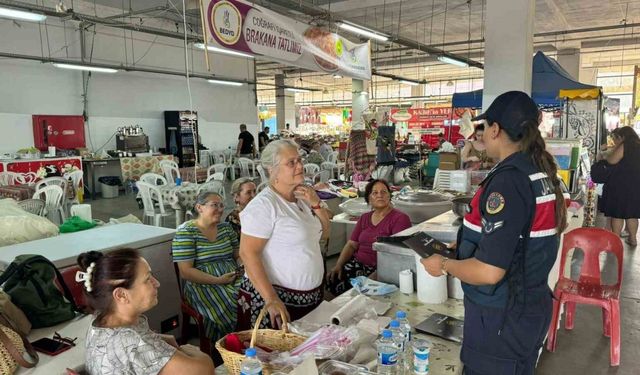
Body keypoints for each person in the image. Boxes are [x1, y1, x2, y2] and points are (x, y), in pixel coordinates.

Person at [420, 91, 569, 375]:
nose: (483, 134)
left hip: (503, 320)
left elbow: (490, 272)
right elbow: (518, 241)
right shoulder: (537, 171)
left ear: (496, 129)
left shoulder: (509, 182)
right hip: (525, 311)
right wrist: (463, 249)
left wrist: (444, 265)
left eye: (484, 127)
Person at [237, 139, 332, 329]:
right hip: (278, 302)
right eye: (291, 162)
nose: (300, 166)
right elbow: (248, 254)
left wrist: (316, 203)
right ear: (272, 171)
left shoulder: (302, 198)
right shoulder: (264, 205)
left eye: (299, 160)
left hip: (310, 298)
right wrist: (271, 299)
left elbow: (325, 234)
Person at [79, 249, 214, 375]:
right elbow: (205, 369)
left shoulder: (100, 320)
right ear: (121, 295)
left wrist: (159, 340)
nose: (157, 283)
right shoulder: (131, 342)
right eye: (148, 279)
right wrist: (192, 351)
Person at [173, 192, 241, 343]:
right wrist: (218, 280)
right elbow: (186, 271)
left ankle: (248, 339)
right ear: (199, 207)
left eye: (221, 205)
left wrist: (243, 267)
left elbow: (238, 255)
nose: (220, 209)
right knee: (233, 301)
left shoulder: (226, 228)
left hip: (231, 277)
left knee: (254, 293)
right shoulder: (187, 232)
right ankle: (228, 344)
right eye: (214, 205)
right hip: (202, 285)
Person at [326, 179, 411, 296]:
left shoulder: (400, 218)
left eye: (383, 192)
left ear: (389, 196)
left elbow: (397, 254)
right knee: (334, 278)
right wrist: (338, 265)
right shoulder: (364, 218)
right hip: (358, 264)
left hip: (382, 268)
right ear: (369, 198)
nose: (379, 195)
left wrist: (376, 276)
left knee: (361, 293)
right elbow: (351, 244)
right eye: (375, 193)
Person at [599, 126, 640, 246]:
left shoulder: (625, 145)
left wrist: (606, 156)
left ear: (623, 137)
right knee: (632, 213)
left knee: (618, 213)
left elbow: (612, 160)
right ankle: (633, 239)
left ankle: (616, 241)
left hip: (621, 184)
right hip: (636, 184)